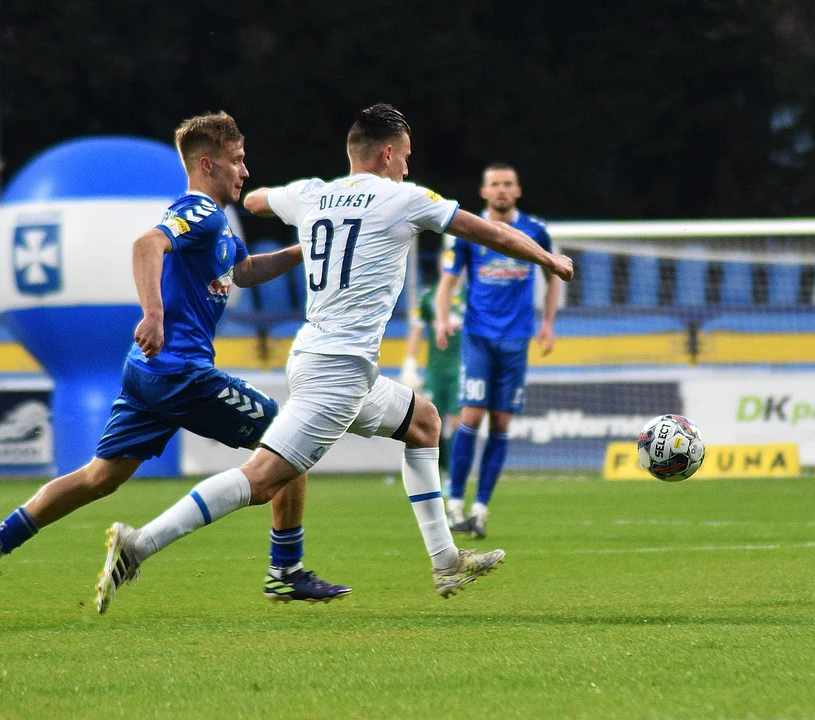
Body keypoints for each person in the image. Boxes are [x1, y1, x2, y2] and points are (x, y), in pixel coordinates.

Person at [94, 103, 574, 612]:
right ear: (388, 154)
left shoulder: (312, 194)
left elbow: (256, 200)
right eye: (405, 156)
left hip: (321, 358)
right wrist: (547, 258)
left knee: (424, 422)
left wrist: (299, 212)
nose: (408, 167)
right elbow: (489, 232)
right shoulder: (404, 198)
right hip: (338, 371)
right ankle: (139, 543)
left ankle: (445, 560)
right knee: (261, 480)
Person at [0, 111, 350, 614]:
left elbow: (246, 271)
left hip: (147, 372)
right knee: (288, 440)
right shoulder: (199, 212)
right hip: (178, 370)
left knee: (101, 478)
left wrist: (307, 250)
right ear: (207, 164)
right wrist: (154, 314)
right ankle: (286, 570)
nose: (245, 171)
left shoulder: (216, 226)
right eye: (237, 161)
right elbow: (147, 244)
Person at [436, 163, 561, 540]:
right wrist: (443, 318)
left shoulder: (536, 230)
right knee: (471, 415)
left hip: (516, 341)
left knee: (502, 425)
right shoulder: (469, 232)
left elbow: (552, 277)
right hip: (477, 337)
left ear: (517, 191)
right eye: (495, 184)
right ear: (484, 191)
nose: (502, 190)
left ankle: (481, 509)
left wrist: (548, 323)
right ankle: (455, 502)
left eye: (508, 184)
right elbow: (447, 282)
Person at [401, 242, 466, 480]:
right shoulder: (429, 297)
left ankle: (458, 472)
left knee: (460, 422)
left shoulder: (471, 296)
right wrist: (409, 363)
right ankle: (442, 471)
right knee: (433, 423)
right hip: (435, 370)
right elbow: (417, 331)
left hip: (460, 369)